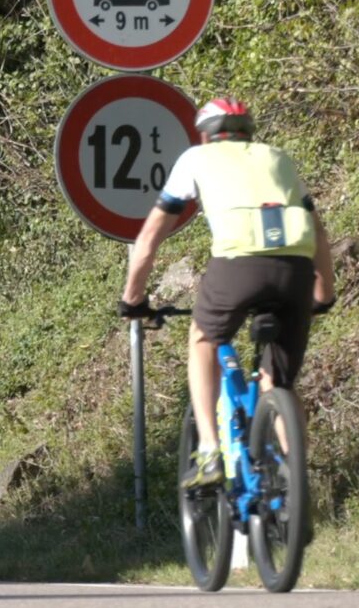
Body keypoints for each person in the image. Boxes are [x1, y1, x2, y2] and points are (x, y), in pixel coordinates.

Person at [119, 97, 336, 489]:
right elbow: (317, 230)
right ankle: (294, 486)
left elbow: (150, 236)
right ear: (248, 132)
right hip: (296, 269)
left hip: (238, 263)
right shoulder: (277, 157)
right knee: (279, 382)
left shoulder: (196, 159)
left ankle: (208, 451)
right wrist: (325, 292)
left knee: (203, 338)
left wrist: (132, 298)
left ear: (205, 134)